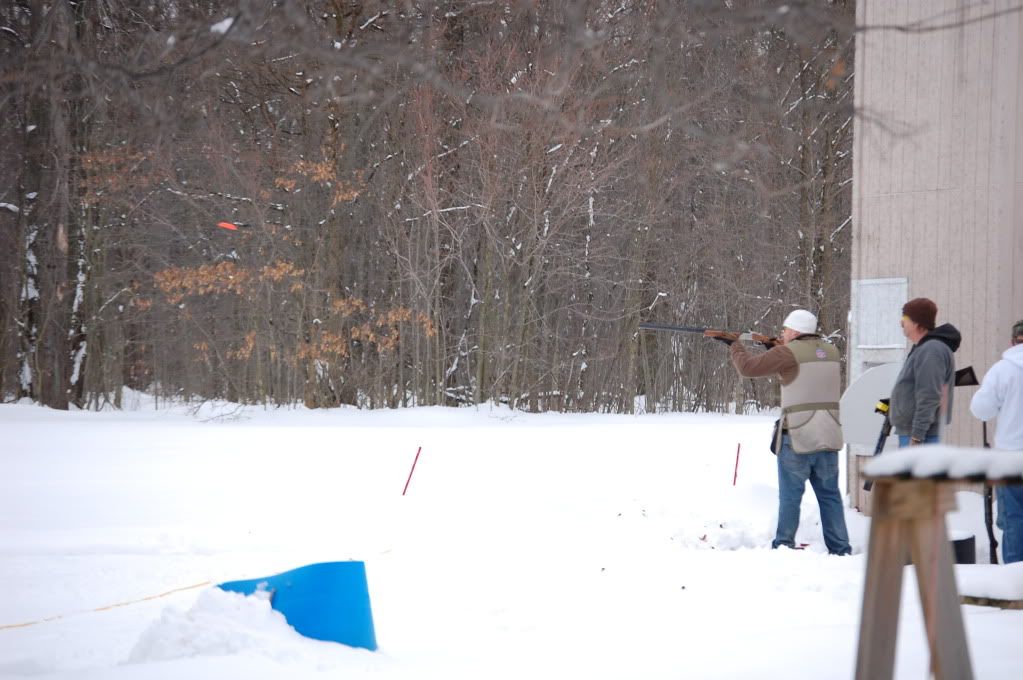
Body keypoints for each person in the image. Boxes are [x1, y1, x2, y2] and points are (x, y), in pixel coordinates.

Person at [717, 309, 851, 555]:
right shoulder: (831, 352)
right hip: (829, 435)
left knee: (790, 496)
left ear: (796, 331)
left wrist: (734, 345)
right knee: (830, 497)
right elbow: (800, 374)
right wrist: (773, 348)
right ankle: (841, 548)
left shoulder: (787, 352)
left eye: (785, 329)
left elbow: (747, 368)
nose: (782, 333)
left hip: (798, 436)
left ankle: (784, 546)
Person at [969, 320, 1023, 564]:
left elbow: (981, 410)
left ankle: (1014, 586)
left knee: (1014, 520)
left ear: (1013, 341)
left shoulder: (1003, 370)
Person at [888, 298, 962, 446]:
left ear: (917, 323)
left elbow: (930, 395)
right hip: (915, 434)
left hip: (922, 437)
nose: (901, 323)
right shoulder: (923, 349)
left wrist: (917, 436)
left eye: (905, 318)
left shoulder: (932, 350)